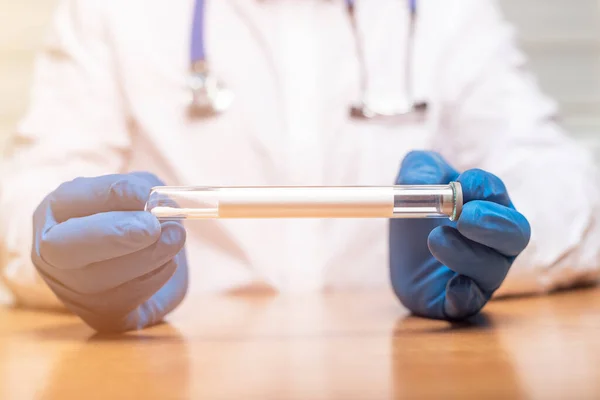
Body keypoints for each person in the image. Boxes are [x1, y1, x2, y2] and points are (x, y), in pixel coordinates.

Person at [0, 0, 598, 332]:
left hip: (403, 356)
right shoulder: (111, 13)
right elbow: (38, 184)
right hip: (175, 359)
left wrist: (494, 234)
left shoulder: (447, 16)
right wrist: (70, 252)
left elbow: (560, 180)